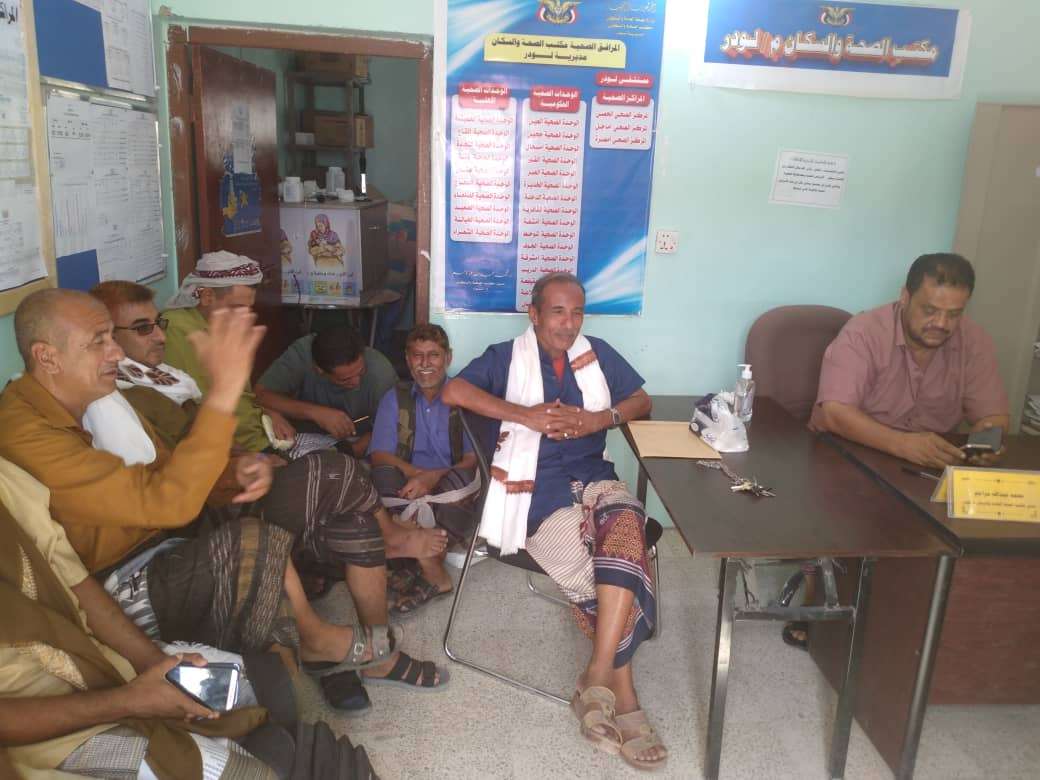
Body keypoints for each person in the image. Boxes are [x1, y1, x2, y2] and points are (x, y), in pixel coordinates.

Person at [0, 289, 447, 701]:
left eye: (113, 337)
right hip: (134, 573)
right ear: (47, 356)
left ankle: (360, 647)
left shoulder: (112, 397)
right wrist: (225, 389)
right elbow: (165, 501)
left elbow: (173, 468)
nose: (116, 352)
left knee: (335, 473)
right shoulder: (26, 432)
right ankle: (318, 640)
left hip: (181, 527)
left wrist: (237, 470)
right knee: (257, 536)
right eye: (99, 341)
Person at [442, 272, 667, 771]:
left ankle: (594, 678)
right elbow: (453, 391)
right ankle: (624, 695)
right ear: (535, 313)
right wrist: (524, 415)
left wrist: (599, 419)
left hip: (594, 477)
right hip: (535, 494)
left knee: (626, 525)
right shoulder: (505, 357)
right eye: (558, 312)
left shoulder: (597, 354)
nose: (569, 324)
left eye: (577, 312)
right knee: (605, 576)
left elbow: (641, 401)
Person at [810, 253, 1010, 466]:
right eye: (930, 310)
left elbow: (994, 417)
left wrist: (986, 444)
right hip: (848, 453)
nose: (941, 324)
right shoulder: (863, 333)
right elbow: (835, 412)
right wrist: (902, 444)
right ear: (905, 297)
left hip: (929, 463)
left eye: (953, 314)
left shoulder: (973, 340)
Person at [369, 324, 479, 616]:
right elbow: (379, 454)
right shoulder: (395, 398)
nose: (425, 363)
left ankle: (410, 553)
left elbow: (471, 459)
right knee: (380, 474)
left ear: (448, 358)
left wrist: (432, 477)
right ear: (408, 360)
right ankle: (427, 561)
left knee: (463, 480)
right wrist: (416, 475)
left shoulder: (464, 396)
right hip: (407, 486)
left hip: (447, 488)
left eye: (434, 355)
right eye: (418, 355)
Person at [161, 250, 289, 452]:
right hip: (234, 450)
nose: (245, 317)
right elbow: (192, 410)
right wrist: (246, 458)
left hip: (258, 434)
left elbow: (238, 395)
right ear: (207, 296)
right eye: (236, 307)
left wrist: (267, 412)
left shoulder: (222, 327)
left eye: (249, 309)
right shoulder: (178, 331)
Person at [255, 325, 398, 458]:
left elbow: (391, 429)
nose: (356, 382)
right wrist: (314, 412)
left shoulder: (381, 374)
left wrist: (348, 452)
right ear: (319, 370)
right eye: (345, 379)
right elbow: (260, 393)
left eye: (361, 371)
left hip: (357, 440)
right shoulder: (303, 354)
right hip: (302, 435)